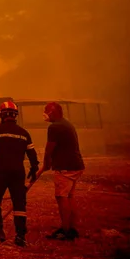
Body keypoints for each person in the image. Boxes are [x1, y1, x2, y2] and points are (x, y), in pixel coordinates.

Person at [0, 100, 39, 246]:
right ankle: (20, 236)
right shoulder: (24, 133)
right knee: (19, 204)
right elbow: (32, 154)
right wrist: (34, 168)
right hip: (18, 173)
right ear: (15, 115)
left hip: (0, 171)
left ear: (1, 115)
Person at [41, 101, 85, 241]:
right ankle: (72, 228)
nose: (45, 114)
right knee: (69, 197)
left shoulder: (55, 127)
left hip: (65, 167)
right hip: (76, 165)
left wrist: (46, 164)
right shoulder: (66, 124)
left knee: (61, 197)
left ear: (53, 112)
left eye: (46, 111)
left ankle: (65, 230)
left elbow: (49, 149)